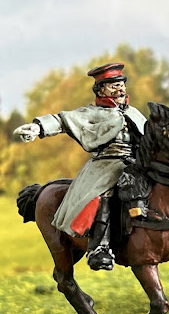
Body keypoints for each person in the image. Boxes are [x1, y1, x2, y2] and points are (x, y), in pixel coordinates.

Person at [13, 63, 146, 271]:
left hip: (136, 162)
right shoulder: (92, 113)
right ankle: (99, 247)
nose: (119, 90)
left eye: (121, 85)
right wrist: (38, 127)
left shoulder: (134, 113)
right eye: (113, 86)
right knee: (104, 193)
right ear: (101, 90)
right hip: (106, 164)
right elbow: (62, 120)